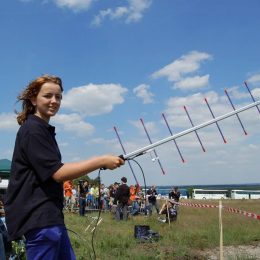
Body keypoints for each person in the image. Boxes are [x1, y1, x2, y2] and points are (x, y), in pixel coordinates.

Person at [4, 75, 124, 260]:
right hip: (41, 222)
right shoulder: (33, 130)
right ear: (34, 99)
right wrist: (101, 161)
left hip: (51, 220)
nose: (54, 101)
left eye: (58, 97)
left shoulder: (41, 129)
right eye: (48, 96)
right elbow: (58, 173)